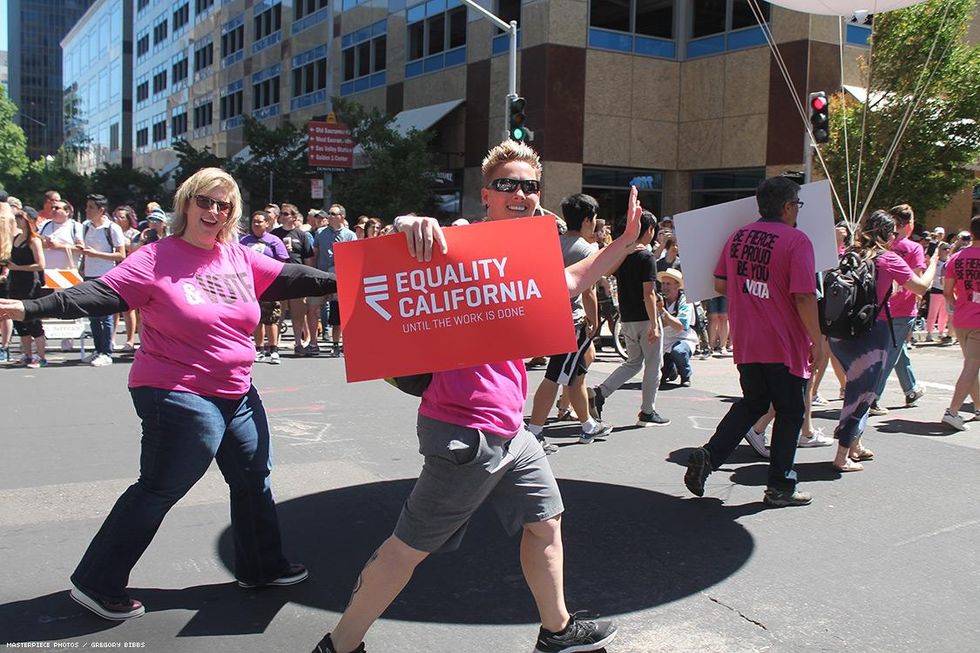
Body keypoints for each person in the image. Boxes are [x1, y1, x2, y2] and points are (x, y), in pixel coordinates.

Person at [311, 140, 629, 653]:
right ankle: (341, 645)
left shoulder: (522, 256)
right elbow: (417, 237)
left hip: (513, 430)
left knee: (545, 526)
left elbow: (573, 279)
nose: (521, 194)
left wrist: (628, 241)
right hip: (464, 431)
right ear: (487, 195)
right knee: (408, 547)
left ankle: (557, 630)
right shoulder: (463, 238)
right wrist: (410, 222)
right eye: (508, 186)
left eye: (530, 186)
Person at [0, 168, 338, 621]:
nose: (213, 212)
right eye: (205, 201)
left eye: (223, 205)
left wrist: (355, 274)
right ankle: (95, 581)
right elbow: (99, 293)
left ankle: (261, 567)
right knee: (163, 485)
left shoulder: (237, 256)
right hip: (175, 388)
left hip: (236, 391)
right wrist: (28, 307)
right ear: (186, 204)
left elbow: (296, 277)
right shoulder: (156, 257)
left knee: (253, 478)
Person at [684, 176, 819, 507]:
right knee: (790, 412)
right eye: (797, 205)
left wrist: (752, 290)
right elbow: (803, 296)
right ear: (788, 207)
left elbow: (720, 284)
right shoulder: (797, 241)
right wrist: (819, 340)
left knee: (754, 402)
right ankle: (781, 486)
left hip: (747, 341)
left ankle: (710, 455)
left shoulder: (737, 237)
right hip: (785, 344)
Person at [826, 210, 936, 470]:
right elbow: (920, 288)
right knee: (862, 394)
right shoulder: (889, 259)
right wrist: (931, 264)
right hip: (871, 335)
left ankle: (854, 444)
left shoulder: (850, 254)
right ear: (889, 235)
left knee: (858, 389)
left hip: (839, 333)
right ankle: (842, 456)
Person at [527, 193, 613, 447]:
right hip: (572, 322)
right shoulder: (586, 249)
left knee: (575, 375)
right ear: (588, 219)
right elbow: (588, 291)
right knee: (555, 377)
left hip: (551, 318)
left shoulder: (553, 243)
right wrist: (594, 322)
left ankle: (588, 425)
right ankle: (534, 433)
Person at [589, 210, 670, 427]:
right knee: (653, 365)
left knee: (633, 362)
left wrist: (624, 251)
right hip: (645, 318)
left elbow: (606, 272)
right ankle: (647, 411)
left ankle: (601, 392)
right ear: (650, 230)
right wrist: (655, 323)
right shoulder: (646, 257)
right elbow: (649, 293)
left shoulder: (626, 255)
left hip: (627, 318)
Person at [868, 204, 926, 415]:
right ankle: (873, 397)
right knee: (890, 355)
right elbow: (918, 281)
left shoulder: (881, 245)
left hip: (880, 307)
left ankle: (911, 388)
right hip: (902, 309)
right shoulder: (914, 248)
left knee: (897, 350)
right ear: (909, 224)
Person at [941, 215, 980, 431]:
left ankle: (978, 408)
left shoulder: (955, 258)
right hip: (978, 320)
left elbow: (947, 292)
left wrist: (958, 305)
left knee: (971, 364)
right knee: (972, 365)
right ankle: (952, 411)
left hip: (962, 318)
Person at [80, 194, 127, 366]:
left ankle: (106, 352)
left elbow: (120, 254)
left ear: (101, 210)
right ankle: (97, 349)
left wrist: (95, 254)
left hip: (107, 276)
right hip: (89, 275)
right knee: (92, 315)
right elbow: (85, 250)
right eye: (87, 207)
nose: (87, 210)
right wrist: (83, 263)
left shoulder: (112, 228)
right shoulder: (86, 227)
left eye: (91, 207)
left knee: (106, 316)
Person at [241, 210, 290, 364]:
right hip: (251, 286)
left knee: (272, 318)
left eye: (260, 221)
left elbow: (282, 261)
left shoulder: (274, 241)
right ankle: (259, 349)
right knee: (257, 318)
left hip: (270, 284)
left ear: (267, 224)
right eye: (254, 221)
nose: (256, 224)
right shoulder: (244, 241)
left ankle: (274, 349)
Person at [272, 203, 317, 356]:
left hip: (297, 279)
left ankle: (298, 343)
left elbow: (308, 258)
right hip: (279, 278)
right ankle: (274, 345)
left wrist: (308, 278)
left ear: (293, 217)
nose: (282, 216)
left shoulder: (301, 235)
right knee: (278, 313)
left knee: (298, 314)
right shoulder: (274, 234)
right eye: (281, 214)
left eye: (285, 214)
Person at [313, 204, 356, 357]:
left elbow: (354, 258)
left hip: (342, 279)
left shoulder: (350, 235)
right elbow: (315, 254)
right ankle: (318, 341)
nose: (329, 216)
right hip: (323, 275)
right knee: (316, 308)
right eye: (329, 214)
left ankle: (343, 344)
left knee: (341, 312)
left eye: (333, 214)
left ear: (341, 217)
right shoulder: (320, 233)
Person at [5, 209, 47, 367]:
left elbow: (40, 264)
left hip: (29, 284)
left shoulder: (34, 240)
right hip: (15, 283)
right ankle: (27, 354)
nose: (16, 220)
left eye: (19, 217)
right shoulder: (16, 238)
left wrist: (17, 267)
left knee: (32, 319)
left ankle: (41, 356)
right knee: (19, 320)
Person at [658, 268, 696, 388]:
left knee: (678, 351)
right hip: (663, 340)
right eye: (663, 283)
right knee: (660, 378)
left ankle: (685, 374)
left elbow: (680, 326)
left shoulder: (685, 302)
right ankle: (670, 368)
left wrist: (663, 312)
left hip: (683, 339)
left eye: (668, 284)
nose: (664, 287)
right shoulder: (658, 299)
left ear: (677, 286)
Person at [925, 242, 951, 342]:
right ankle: (929, 333)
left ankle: (941, 332)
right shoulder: (935, 262)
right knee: (933, 312)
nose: (947, 250)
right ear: (940, 251)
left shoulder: (950, 261)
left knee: (944, 314)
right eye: (944, 248)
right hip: (936, 289)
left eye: (948, 248)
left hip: (946, 290)